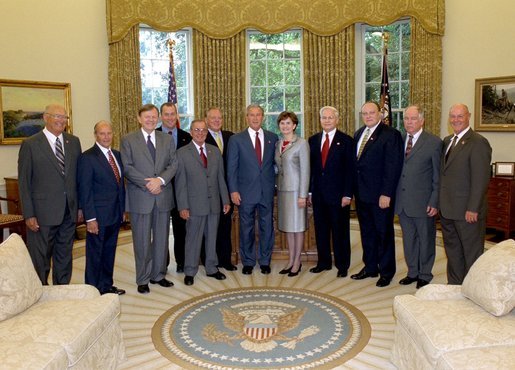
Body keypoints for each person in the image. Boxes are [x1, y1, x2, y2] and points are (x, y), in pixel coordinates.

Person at [18, 104, 82, 285]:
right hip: (42, 214)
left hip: (69, 211)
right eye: (57, 116)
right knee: (41, 257)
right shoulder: (30, 144)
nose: (61, 120)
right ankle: (40, 291)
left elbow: (77, 178)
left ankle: (61, 289)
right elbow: (24, 182)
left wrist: (80, 207)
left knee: (64, 255)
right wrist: (29, 214)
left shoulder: (73, 141)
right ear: (46, 118)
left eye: (64, 117)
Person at [121, 104, 177, 294]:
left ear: (158, 118)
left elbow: (173, 164)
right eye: (147, 117)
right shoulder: (128, 140)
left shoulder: (167, 139)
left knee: (161, 239)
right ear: (139, 118)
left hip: (162, 196)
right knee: (142, 241)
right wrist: (148, 183)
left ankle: (158, 275)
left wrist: (159, 180)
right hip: (141, 197)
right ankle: (143, 278)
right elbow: (127, 167)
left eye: (154, 117)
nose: (151, 120)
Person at [351, 101, 403, 287]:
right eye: (364, 113)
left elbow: (393, 166)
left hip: (380, 195)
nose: (368, 116)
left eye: (371, 112)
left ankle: (387, 272)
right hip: (362, 194)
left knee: (384, 234)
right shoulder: (358, 134)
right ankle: (370, 267)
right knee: (367, 233)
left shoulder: (391, 135)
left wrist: (386, 193)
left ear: (380, 114)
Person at [439, 103, 492, 285]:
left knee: (472, 254)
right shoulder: (447, 141)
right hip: (448, 210)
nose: (456, 120)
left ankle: (474, 290)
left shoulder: (478, 142)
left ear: (468, 116)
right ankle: (455, 286)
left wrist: (473, 208)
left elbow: (481, 180)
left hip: (467, 212)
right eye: (452, 116)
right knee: (453, 252)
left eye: (460, 116)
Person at [175, 120, 231, 286]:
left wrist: (225, 199)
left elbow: (221, 177)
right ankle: (190, 270)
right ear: (191, 132)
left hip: (214, 203)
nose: (200, 133)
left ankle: (212, 268)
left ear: (207, 133)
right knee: (193, 239)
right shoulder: (182, 153)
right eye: (196, 130)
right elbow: (180, 183)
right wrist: (183, 206)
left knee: (212, 237)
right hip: (193, 205)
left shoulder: (214, 151)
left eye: (203, 130)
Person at [227, 104, 278, 275]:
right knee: (246, 227)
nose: (255, 118)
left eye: (258, 115)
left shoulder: (272, 137)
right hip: (245, 191)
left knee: (267, 227)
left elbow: (276, 165)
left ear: (263, 117)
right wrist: (233, 190)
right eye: (251, 115)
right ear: (246, 117)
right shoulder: (236, 139)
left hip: (266, 191)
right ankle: (248, 261)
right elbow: (231, 168)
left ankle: (265, 261)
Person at [394, 105, 442, 289]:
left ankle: (425, 274)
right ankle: (412, 272)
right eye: (406, 118)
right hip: (403, 202)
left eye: (413, 118)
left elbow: (437, 176)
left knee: (426, 239)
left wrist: (434, 200)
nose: (409, 122)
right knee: (408, 239)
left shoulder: (434, 142)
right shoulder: (399, 139)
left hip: (424, 203)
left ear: (422, 120)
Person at [77, 121, 126, 295]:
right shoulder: (87, 157)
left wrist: (122, 211)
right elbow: (85, 190)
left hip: (114, 214)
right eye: (102, 133)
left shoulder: (117, 155)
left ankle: (106, 285)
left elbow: (120, 186)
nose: (106, 137)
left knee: (109, 252)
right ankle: (92, 289)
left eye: (109, 133)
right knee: (95, 254)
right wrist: (90, 219)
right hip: (97, 216)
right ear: (95, 135)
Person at [308, 106, 355, 277]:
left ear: (337, 119)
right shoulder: (312, 140)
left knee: (340, 232)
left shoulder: (347, 141)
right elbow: (311, 169)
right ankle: (324, 262)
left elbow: (350, 170)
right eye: (324, 118)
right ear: (320, 120)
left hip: (339, 196)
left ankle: (343, 265)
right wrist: (310, 192)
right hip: (319, 195)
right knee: (321, 230)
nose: (327, 120)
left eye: (330, 117)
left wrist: (348, 194)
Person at [157, 102, 192, 273]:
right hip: (161, 191)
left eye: (173, 114)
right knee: (160, 230)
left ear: (177, 115)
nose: (170, 117)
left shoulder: (187, 137)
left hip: (181, 192)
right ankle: (161, 264)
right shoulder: (153, 135)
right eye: (166, 114)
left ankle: (182, 262)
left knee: (181, 230)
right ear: (161, 116)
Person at [275, 111, 310, 277]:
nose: (285, 126)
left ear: (294, 125)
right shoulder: (278, 143)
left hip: (297, 191)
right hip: (283, 191)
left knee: (298, 228)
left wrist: (303, 195)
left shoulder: (301, 143)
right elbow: (278, 166)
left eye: (288, 123)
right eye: (282, 123)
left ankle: (297, 261)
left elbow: (306, 171)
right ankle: (290, 259)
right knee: (289, 228)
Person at [204, 107, 236, 271]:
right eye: (213, 118)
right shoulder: (201, 137)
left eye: (219, 118)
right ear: (207, 120)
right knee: (210, 227)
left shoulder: (231, 137)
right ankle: (210, 260)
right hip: (208, 191)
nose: (217, 121)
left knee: (225, 226)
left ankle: (225, 260)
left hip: (227, 190)